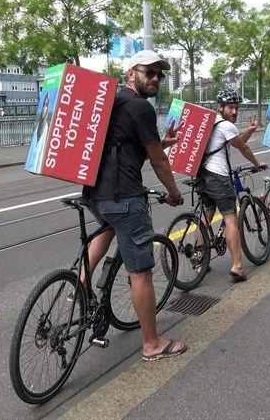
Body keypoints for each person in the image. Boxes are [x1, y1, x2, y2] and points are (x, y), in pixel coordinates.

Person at [82, 50, 187, 361]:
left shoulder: (111, 101)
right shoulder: (140, 106)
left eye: (159, 74)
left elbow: (123, 142)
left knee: (110, 227)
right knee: (140, 271)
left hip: (94, 194)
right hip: (124, 197)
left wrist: (160, 141)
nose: (155, 78)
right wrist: (174, 193)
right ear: (131, 73)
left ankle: (80, 284)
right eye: (148, 72)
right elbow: (157, 160)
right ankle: (152, 344)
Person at [196, 87, 267, 282]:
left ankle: (199, 257)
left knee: (206, 216)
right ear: (220, 107)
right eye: (231, 108)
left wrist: (250, 131)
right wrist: (257, 163)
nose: (234, 112)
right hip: (219, 177)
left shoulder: (212, 122)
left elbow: (233, 142)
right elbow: (242, 147)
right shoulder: (226, 126)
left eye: (236, 108)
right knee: (230, 220)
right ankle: (237, 265)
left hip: (204, 176)